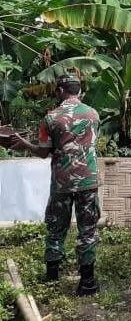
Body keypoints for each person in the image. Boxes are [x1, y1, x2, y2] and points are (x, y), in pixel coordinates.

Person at [8, 73, 101, 296]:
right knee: (87, 229)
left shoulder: (51, 118)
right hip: (88, 179)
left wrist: (22, 143)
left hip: (62, 182)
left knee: (56, 228)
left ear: (60, 91)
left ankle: (52, 278)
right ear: (78, 91)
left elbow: (42, 152)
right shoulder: (93, 114)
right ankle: (87, 282)